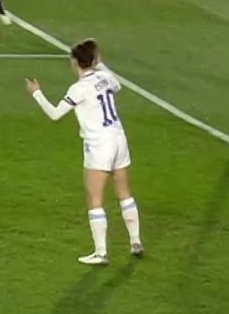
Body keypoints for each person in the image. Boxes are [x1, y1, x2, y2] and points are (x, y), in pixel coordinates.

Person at [25, 38, 142, 265]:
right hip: (119, 139)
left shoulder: (78, 89)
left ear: (75, 63)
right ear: (95, 60)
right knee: (124, 192)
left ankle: (101, 253)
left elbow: (55, 114)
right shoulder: (106, 78)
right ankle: (136, 241)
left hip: (99, 145)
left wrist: (36, 93)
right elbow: (117, 85)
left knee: (95, 198)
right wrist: (99, 64)